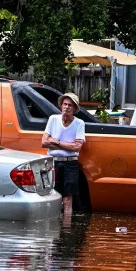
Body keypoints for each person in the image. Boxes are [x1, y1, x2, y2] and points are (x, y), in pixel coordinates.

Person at [42, 92, 86, 220]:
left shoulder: (79, 123)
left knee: (67, 199)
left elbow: (77, 147)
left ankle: (66, 230)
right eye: (65, 104)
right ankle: (51, 229)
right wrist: (68, 145)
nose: (66, 107)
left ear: (75, 109)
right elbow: (44, 142)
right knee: (52, 196)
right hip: (53, 162)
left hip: (70, 163)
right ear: (61, 105)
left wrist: (56, 142)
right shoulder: (53, 119)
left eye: (70, 105)